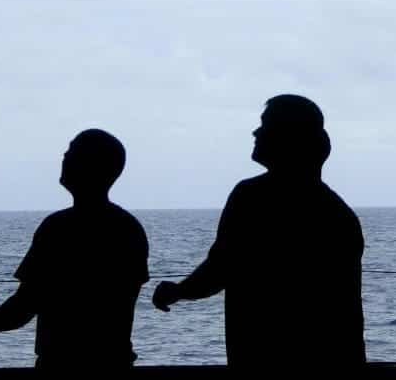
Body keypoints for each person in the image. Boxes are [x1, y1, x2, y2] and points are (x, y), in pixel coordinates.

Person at [152, 94, 365, 372]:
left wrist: (179, 290)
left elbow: (221, 268)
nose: (257, 132)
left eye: (266, 125)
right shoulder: (339, 214)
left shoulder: (251, 197)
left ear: (288, 137)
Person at [0, 129, 149, 369]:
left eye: (73, 152)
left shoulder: (58, 227)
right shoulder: (128, 228)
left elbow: (27, 301)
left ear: (92, 166)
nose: (65, 156)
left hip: (60, 364)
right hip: (114, 361)